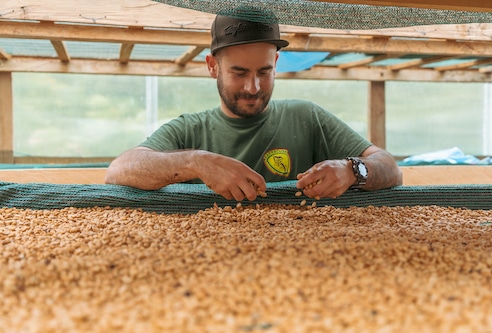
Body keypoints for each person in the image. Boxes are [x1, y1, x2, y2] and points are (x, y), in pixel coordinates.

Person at [105, 7, 403, 202]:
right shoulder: (189, 130)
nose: (253, 87)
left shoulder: (306, 117)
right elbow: (119, 170)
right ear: (212, 66)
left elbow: (391, 168)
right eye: (239, 72)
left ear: (275, 62)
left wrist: (352, 170)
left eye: (264, 72)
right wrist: (197, 162)